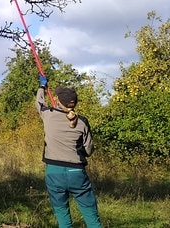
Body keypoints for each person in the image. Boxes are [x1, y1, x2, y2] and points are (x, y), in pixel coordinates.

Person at [36, 75, 102, 228]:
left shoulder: (48, 115)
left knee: (62, 216)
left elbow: (39, 103)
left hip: (53, 173)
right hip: (76, 173)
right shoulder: (83, 122)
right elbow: (88, 150)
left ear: (58, 101)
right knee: (92, 217)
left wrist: (42, 87)